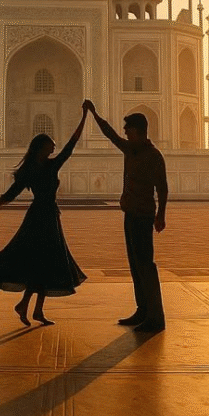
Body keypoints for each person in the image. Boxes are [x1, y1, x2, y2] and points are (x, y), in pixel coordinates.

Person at [0, 105, 89, 326]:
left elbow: (71, 144)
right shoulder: (38, 169)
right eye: (50, 145)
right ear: (41, 147)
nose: (54, 147)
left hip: (46, 217)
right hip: (40, 219)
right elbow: (9, 195)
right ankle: (31, 308)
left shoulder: (47, 166)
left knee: (45, 262)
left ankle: (31, 308)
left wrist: (85, 115)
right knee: (40, 261)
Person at [83, 99, 167, 332]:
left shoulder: (153, 156)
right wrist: (94, 113)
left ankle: (155, 316)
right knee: (135, 265)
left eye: (128, 129)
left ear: (139, 132)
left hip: (143, 215)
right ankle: (142, 310)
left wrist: (161, 215)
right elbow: (110, 134)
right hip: (130, 213)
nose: (125, 133)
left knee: (145, 265)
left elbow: (163, 187)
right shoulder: (131, 149)